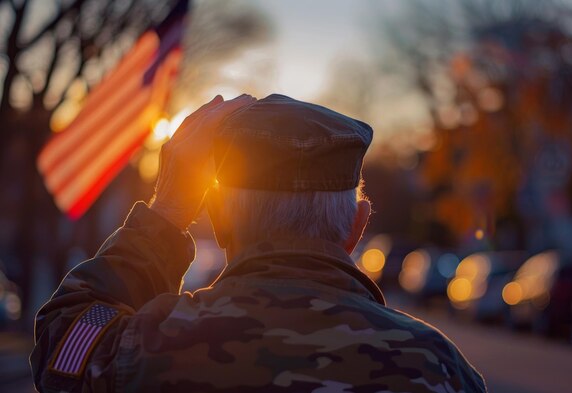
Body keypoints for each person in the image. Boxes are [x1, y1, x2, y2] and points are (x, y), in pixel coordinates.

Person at [31, 94, 487, 392]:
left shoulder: (147, 351)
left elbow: (63, 344)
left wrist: (167, 213)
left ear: (221, 223)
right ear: (357, 226)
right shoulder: (438, 368)